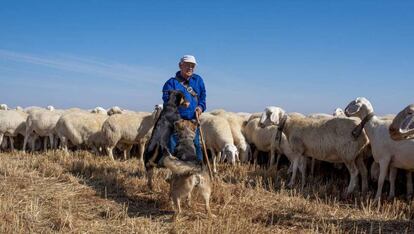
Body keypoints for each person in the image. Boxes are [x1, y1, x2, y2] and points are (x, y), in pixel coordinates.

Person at [162, 55, 206, 162]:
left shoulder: (198, 80)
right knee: (174, 146)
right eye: (187, 65)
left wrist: (200, 107)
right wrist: (180, 103)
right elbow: (167, 100)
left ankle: (199, 169)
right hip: (176, 121)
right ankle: (175, 172)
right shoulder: (171, 83)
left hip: (192, 120)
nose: (190, 68)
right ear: (180, 66)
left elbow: (203, 97)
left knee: (196, 145)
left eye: (192, 66)